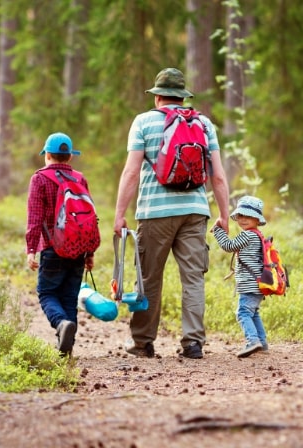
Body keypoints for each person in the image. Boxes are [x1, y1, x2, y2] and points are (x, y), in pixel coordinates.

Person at [114, 67, 230, 359]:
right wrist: (224, 215)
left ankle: (143, 343)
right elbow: (217, 176)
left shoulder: (143, 122)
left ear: (158, 98)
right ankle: (193, 343)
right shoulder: (203, 123)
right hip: (195, 211)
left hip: (154, 213)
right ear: (182, 96)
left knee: (150, 278)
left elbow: (131, 172)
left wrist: (119, 214)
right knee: (193, 278)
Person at [26, 132, 94, 356]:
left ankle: (60, 324)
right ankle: (67, 350)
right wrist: (90, 252)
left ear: (47, 155)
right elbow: (89, 218)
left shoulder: (40, 179)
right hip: (78, 249)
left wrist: (31, 251)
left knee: (46, 293)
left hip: (52, 248)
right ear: (70, 157)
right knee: (68, 297)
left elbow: (35, 218)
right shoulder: (79, 178)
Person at [211, 196, 268, 357]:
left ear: (257, 219)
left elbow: (228, 246)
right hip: (258, 284)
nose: (243, 220)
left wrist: (217, 230)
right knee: (253, 312)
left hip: (250, 284)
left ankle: (252, 341)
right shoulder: (258, 235)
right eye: (241, 216)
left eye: (248, 216)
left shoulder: (248, 235)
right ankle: (262, 343)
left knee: (243, 312)